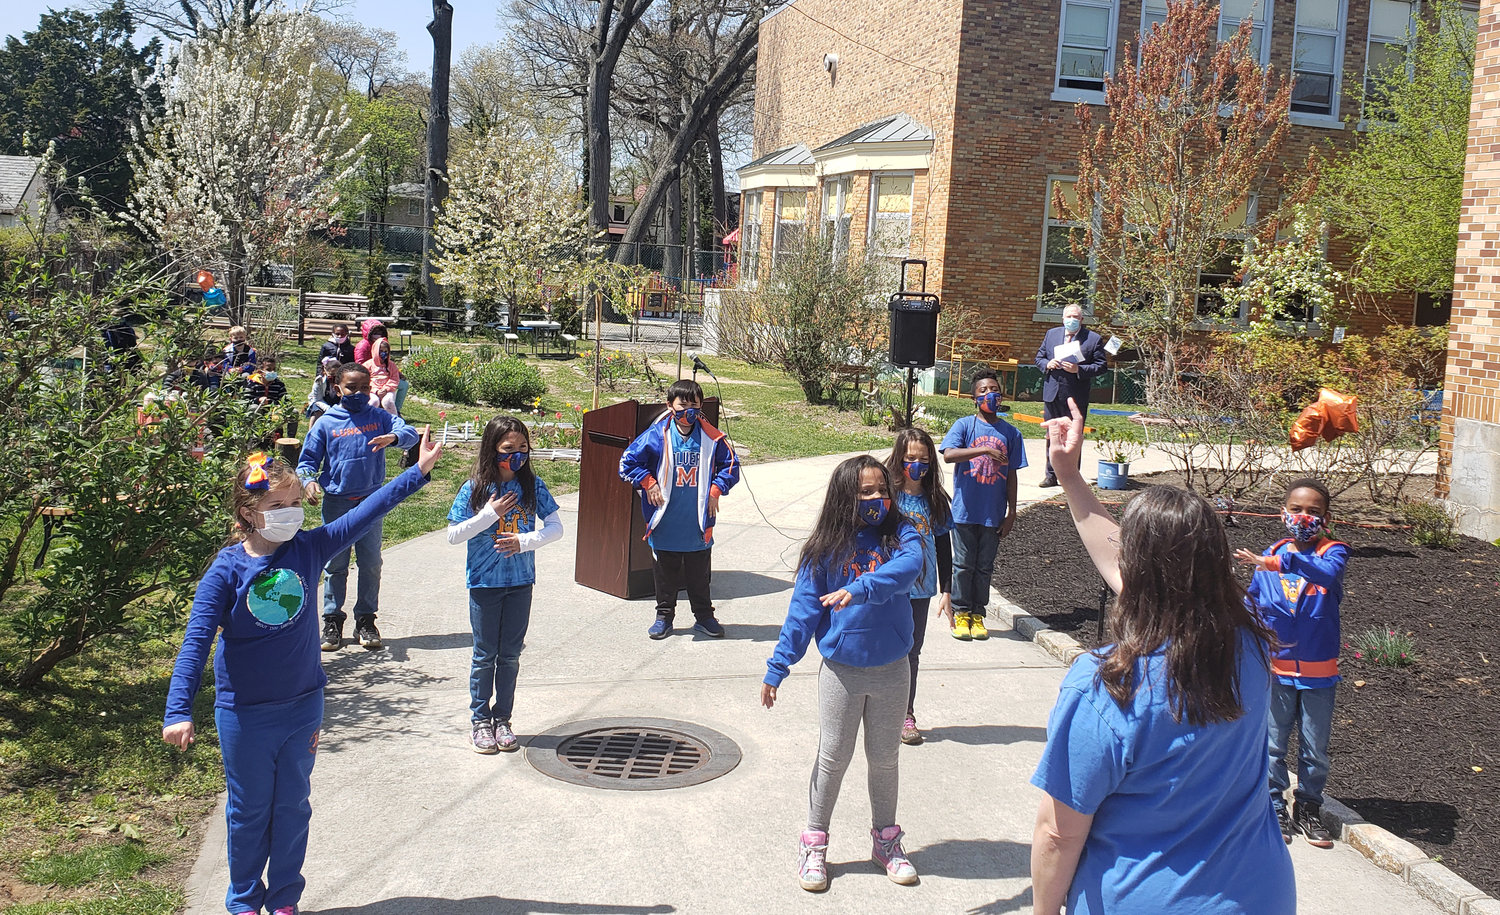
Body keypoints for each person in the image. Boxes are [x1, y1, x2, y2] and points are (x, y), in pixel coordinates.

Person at [1029, 399, 1293, 915]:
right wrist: (1069, 474)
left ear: (1140, 569)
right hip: (1260, 895)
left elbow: (1057, 835)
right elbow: (1147, 578)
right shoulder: (1251, 646)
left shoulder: (1107, 684)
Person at [161, 439, 442, 915]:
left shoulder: (309, 547)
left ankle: (285, 899)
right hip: (245, 715)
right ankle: (244, 900)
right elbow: (195, 644)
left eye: (295, 504)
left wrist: (417, 472)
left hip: (303, 706)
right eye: (277, 506)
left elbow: (365, 512)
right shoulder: (225, 572)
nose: (291, 513)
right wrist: (177, 711)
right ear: (249, 513)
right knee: (248, 814)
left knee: (293, 808)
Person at [762, 455, 924, 893]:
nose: (877, 500)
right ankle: (814, 843)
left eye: (882, 491)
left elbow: (909, 569)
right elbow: (802, 613)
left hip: (892, 669)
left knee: (885, 758)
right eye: (866, 492)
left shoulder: (902, 534)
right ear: (844, 497)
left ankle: (886, 841)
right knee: (833, 757)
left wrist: (860, 587)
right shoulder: (823, 549)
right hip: (842, 672)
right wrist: (778, 666)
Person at [1237, 478, 1348, 849]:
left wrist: (1277, 561)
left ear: (1326, 518)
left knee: (1315, 748)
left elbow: (1327, 576)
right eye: (1297, 509)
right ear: (1283, 513)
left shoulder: (1333, 553)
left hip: (1319, 673)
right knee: (1272, 744)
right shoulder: (1269, 555)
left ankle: (1309, 807)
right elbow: (1252, 604)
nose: (1304, 517)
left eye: (1314, 512)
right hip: (1276, 670)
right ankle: (1274, 806)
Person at [447, 417, 563, 754]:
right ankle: (480, 720)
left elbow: (555, 527)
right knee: (485, 655)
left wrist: (525, 541)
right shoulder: (475, 489)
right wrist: (488, 514)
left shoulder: (532, 486)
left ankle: (503, 719)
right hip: (485, 584)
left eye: (523, 449)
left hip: (521, 583)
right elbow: (454, 534)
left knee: (510, 656)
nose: (517, 456)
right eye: (508, 449)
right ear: (492, 449)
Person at [296, 363, 420, 652]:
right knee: (335, 564)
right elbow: (306, 463)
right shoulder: (327, 423)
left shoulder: (378, 417)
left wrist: (394, 437)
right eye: (352, 387)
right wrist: (308, 483)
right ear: (337, 388)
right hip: (338, 503)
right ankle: (332, 620)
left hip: (371, 503)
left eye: (365, 388)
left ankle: (365, 619)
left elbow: (410, 432)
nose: (359, 393)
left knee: (371, 563)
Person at [618, 379, 740, 640]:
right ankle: (664, 617)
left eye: (694, 405)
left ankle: (705, 617)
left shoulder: (711, 437)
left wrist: (717, 489)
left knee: (699, 575)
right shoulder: (657, 435)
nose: (688, 411)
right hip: (665, 521)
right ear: (670, 406)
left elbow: (731, 466)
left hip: (696, 522)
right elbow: (627, 462)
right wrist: (648, 482)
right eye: (682, 404)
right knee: (665, 576)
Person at [938, 368, 1026, 640]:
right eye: (983, 391)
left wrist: (1012, 512)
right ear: (973, 398)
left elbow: (1011, 474)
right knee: (963, 564)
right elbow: (949, 455)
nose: (990, 394)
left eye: (994, 390)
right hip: (965, 511)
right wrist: (985, 449)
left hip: (993, 513)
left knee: (984, 566)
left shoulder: (1011, 433)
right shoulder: (964, 426)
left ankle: (978, 614)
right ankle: (961, 613)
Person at [884, 427, 953, 746]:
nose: (916, 464)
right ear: (899, 459)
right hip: (886, 587)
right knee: (883, 648)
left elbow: (943, 547)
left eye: (923, 459)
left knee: (911, 653)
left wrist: (947, 590)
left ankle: (905, 715)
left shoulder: (935, 500)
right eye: (910, 458)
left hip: (920, 591)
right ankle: (875, 709)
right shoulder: (886, 495)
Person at [1034, 304, 1108, 487]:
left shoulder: (1093, 339)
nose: (1072, 320)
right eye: (1068, 316)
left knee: (1073, 436)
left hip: (1076, 395)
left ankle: (1071, 476)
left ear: (1082, 320)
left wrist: (1078, 369)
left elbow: (1101, 366)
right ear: (1062, 318)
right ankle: (1051, 474)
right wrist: (1047, 363)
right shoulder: (1052, 335)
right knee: (1053, 435)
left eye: (1075, 317)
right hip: (1052, 393)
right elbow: (1039, 357)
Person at [354, 319, 408, 414]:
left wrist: (396, 375)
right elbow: (361, 370)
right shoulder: (362, 346)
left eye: (380, 332)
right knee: (373, 401)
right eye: (375, 332)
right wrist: (375, 389)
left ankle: (396, 411)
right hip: (372, 382)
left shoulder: (383, 344)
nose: (378, 335)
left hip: (387, 382)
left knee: (403, 385)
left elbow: (392, 371)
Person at [364, 334, 402, 415]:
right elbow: (365, 379)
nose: (383, 353)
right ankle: (368, 420)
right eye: (380, 351)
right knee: (373, 402)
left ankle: (394, 420)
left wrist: (386, 389)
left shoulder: (391, 365)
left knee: (388, 402)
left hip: (388, 390)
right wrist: (375, 390)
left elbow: (394, 378)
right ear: (375, 351)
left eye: (385, 351)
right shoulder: (368, 365)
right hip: (372, 390)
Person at [305, 357, 342, 426]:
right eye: (332, 376)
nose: (334, 379)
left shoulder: (344, 382)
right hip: (322, 403)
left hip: (339, 404)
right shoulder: (319, 381)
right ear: (325, 372)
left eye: (337, 376)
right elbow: (317, 399)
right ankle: (311, 433)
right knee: (317, 412)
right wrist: (328, 409)